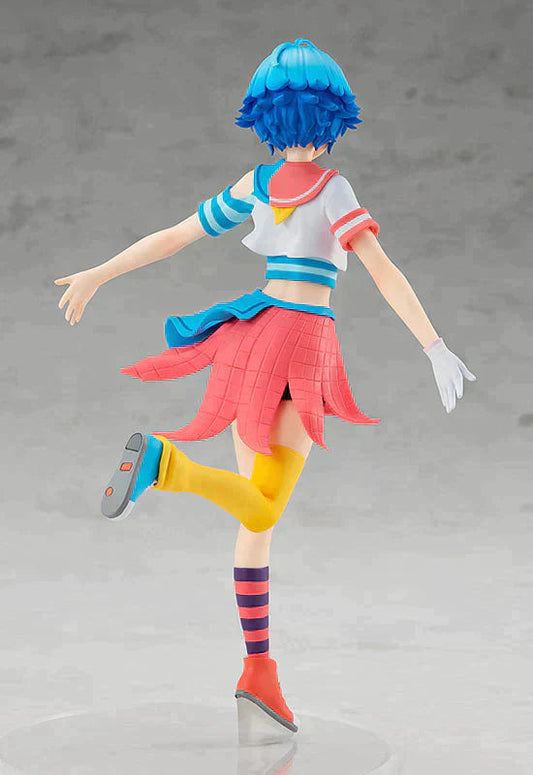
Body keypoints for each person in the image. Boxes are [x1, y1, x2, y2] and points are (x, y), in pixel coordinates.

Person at [54, 39, 476, 737]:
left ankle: (258, 668)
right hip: (300, 341)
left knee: (256, 521)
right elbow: (381, 268)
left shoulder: (255, 183)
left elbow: (176, 235)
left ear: (266, 118)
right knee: (265, 503)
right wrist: (432, 344)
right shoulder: (332, 188)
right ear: (331, 117)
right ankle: (166, 464)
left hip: (248, 336)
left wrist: (101, 272)